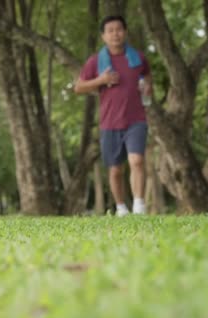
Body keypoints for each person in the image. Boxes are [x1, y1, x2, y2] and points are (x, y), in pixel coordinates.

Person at [74, 15, 153, 216]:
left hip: (136, 119)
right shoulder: (95, 62)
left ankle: (139, 206)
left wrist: (148, 88)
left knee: (137, 161)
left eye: (119, 29)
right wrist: (101, 79)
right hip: (109, 122)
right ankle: (121, 208)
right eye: (110, 31)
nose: (115, 34)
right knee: (116, 170)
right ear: (103, 36)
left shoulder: (138, 58)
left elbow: (147, 75)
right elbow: (79, 87)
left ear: (125, 32)